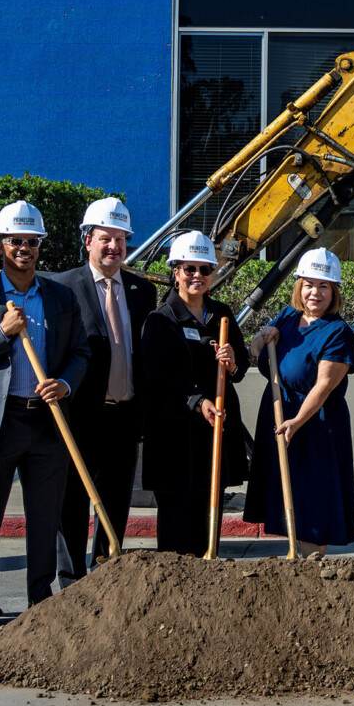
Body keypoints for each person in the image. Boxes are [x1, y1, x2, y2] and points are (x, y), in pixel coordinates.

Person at [0, 200, 88, 634]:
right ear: (0, 245)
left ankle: (39, 598)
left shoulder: (60, 296)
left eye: (31, 241)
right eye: (15, 241)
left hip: (48, 421)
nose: (24, 248)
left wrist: (64, 384)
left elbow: (80, 353)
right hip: (0, 420)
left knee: (45, 518)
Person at [54, 197, 157, 583]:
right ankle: (71, 580)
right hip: (82, 415)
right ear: (88, 241)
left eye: (120, 239)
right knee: (74, 502)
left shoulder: (141, 290)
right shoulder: (64, 287)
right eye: (105, 239)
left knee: (115, 501)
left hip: (126, 415)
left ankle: (105, 573)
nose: (114, 247)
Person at [138, 231, 249, 557]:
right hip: (174, 437)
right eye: (189, 269)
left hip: (212, 436)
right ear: (175, 272)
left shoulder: (222, 314)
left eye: (204, 269)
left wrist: (231, 363)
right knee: (176, 524)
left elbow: (240, 368)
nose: (197, 276)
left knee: (207, 518)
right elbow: (158, 379)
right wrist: (197, 402)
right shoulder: (161, 320)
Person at [245, 248, 354, 558]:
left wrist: (296, 422)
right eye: (309, 284)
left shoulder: (339, 332)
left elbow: (323, 386)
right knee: (286, 493)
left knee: (313, 499)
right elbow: (256, 349)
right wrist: (264, 335)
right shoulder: (287, 317)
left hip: (315, 425)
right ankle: (294, 564)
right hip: (280, 411)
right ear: (299, 287)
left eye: (324, 286)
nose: (315, 293)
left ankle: (311, 565)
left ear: (333, 291)